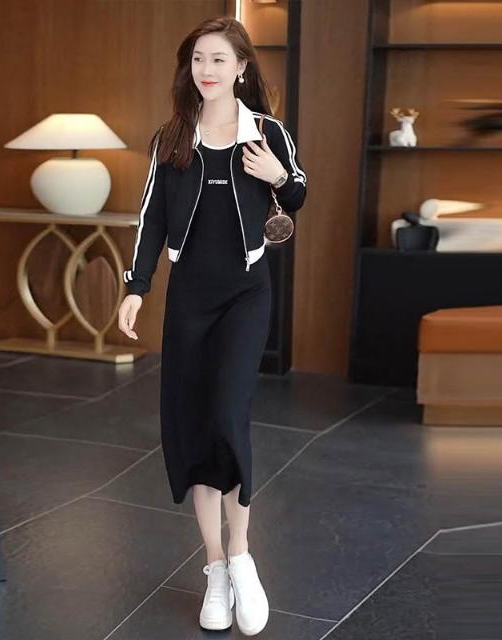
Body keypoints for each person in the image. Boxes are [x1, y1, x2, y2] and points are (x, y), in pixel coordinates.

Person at [118, 15, 307, 636]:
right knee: (193, 428)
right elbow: (151, 216)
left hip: (246, 295)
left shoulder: (267, 134)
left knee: (227, 416)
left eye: (219, 59)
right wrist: (136, 286)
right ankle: (216, 567)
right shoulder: (172, 137)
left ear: (241, 67)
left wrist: (277, 176)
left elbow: (297, 194)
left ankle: (244, 556)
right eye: (198, 58)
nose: (206, 69)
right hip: (189, 298)